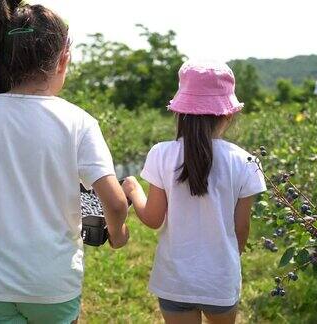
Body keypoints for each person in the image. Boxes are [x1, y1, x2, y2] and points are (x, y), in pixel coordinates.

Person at [0, 1, 129, 323]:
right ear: (62, 60)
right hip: (51, 284)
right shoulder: (78, 122)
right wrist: (118, 232)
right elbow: (115, 201)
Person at [122, 60, 267, 324]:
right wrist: (227, 259)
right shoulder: (246, 162)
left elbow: (153, 219)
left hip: (175, 280)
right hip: (220, 281)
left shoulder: (162, 153)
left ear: (179, 112)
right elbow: (241, 228)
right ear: (228, 115)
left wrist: (132, 189)